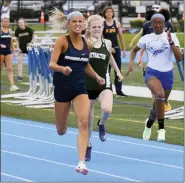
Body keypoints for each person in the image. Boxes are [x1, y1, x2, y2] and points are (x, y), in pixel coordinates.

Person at [49, 10, 105, 175]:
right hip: (62, 89)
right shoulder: (62, 42)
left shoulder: (87, 43)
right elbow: (51, 64)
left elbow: (85, 64)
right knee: (61, 130)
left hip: (80, 88)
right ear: (68, 24)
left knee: (83, 122)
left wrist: (96, 76)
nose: (78, 24)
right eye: (75, 22)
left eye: (81, 22)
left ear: (84, 24)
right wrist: (62, 68)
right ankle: (61, 124)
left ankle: (81, 163)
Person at [127, 13, 182, 142]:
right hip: (151, 72)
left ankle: (149, 123)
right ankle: (161, 129)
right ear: (151, 24)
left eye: (160, 22)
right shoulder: (146, 38)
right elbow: (134, 50)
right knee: (159, 94)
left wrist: (171, 43)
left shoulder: (172, 36)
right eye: (154, 22)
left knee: (159, 105)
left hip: (167, 74)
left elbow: (179, 58)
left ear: (164, 24)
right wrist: (131, 64)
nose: (157, 24)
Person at [84, 15, 123, 161]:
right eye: (94, 27)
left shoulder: (107, 43)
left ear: (102, 28)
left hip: (104, 83)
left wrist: (118, 72)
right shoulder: (85, 43)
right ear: (89, 28)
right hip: (88, 85)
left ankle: (101, 123)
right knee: (88, 120)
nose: (97, 29)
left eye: (99, 27)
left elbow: (110, 58)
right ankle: (88, 145)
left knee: (107, 109)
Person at [129, 7, 174, 112]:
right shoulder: (146, 26)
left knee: (164, 88)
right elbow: (143, 43)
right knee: (155, 89)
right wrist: (140, 58)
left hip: (165, 62)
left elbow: (173, 43)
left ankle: (161, 104)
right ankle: (157, 108)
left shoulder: (169, 25)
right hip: (151, 60)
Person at [102, 6, 127, 97]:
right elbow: (101, 37)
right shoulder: (102, 23)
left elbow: (121, 36)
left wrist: (124, 49)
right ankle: (108, 89)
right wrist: (106, 47)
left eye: (110, 11)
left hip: (116, 49)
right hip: (107, 49)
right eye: (107, 12)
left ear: (113, 13)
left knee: (118, 70)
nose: (109, 13)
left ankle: (119, 90)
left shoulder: (116, 23)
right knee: (106, 70)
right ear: (104, 13)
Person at [0, 17, 19, 91]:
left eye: (6, 22)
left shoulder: (10, 31)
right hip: (0, 51)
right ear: (1, 22)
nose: (5, 23)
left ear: (8, 23)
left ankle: (12, 86)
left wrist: (14, 51)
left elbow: (11, 42)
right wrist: (0, 45)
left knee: (10, 69)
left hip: (8, 51)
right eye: (4, 21)